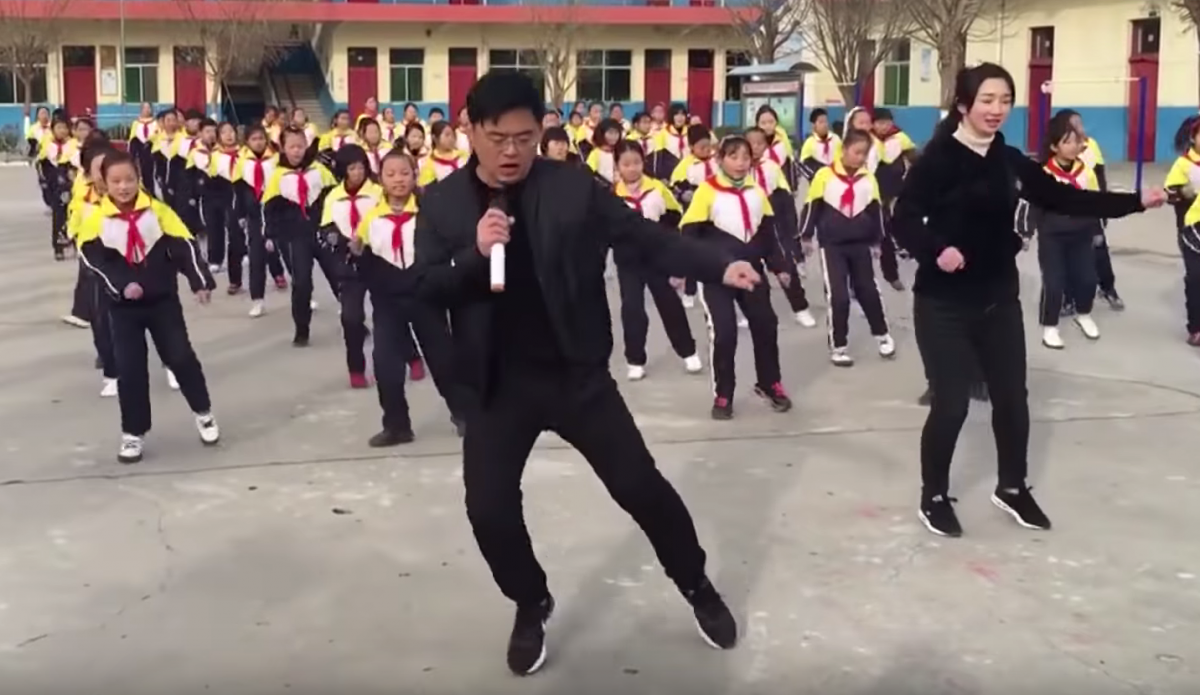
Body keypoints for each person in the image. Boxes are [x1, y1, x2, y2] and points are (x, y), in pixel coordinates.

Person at [412, 71, 746, 676]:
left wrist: (716, 266)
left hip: (576, 376)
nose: (512, 152)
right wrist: (474, 256)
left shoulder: (571, 188)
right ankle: (530, 601)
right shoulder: (441, 205)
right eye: (498, 138)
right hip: (497, 386)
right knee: (488, 510)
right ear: (470, 130)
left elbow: (640, 237)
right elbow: (428, 288)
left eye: (524, 138)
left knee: (640, 487)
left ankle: (696, 584)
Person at [892, 63, 1163, 539]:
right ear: (964, 105)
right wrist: (936, 250)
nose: (997, 109)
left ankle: (1012, 487)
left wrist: (1136, 201)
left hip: (999, 298)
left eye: (1004, 100)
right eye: (987, 100)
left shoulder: (1009, 159)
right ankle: (933, 495)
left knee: (1013, 399)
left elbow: (1064, 199)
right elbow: (904, 219)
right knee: (951, 404)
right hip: (944, 304)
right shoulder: (938, 159)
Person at [75, 150, 219, 464]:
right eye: (116, 181)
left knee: (180, 356)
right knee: (130, 370)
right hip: (122, 308)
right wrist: (122, 285)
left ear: (139, 179)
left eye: (129, 179)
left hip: (163, 301)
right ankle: (133, 433)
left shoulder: (158, 212)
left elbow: (185, 246)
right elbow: (92, 261)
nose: (123, 186)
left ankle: (203, 412)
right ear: (105, 182)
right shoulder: (97, 220)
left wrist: (199, 281)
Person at [352, 151, 470, 444]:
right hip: (388, 300)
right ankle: (397, 425)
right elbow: (361, 254)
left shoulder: (429, 214)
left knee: (443, 358)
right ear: (380, 179)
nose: (398, 180)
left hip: (424, 295)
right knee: (385, 363)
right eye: (390, 174)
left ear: (415, 175)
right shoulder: (372, 218)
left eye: (405, 173)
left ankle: (464, 414)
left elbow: (446, 251)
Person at [680, 135, 794, 420]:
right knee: (725, 332)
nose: (741, 163)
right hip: (717, 275)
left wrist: (779, 267)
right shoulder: (707, 191)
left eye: (745, 157)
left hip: (751, 271)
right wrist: (685, 270)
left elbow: (768, 234)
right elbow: (689, 235)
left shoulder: (757, 191)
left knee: (765, 324)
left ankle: (769, 383)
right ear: (720, 159)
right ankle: (723, 394)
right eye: (733, 157)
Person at [799, 129, 896, 366]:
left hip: (860, 244)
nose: (860, 158)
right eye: (856, 152)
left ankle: (882, 334)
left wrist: (877, 241)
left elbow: (876, 211)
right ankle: (839, 346)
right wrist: (806, 236)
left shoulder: (868, 178)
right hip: (832, 245)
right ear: (844, 150)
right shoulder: (825, 176)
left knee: (868, 290)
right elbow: (812, 206)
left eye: (864, 153)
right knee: (838, 295)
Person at [611, 140, 702, 380]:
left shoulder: (658, 189)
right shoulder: (611, 195)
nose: (632, 168)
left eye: (636, 162)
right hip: (628, 261)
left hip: (657, 258)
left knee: (669, 305)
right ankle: (635, 359)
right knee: (632, 309)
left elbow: (674, 218)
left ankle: (688, 351)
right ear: (617, 166)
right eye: (626, 164)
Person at [1020, 112, 1107, 349]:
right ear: (1053, 146)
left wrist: (1098, 229)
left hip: (1082, 235)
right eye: (1067, 142)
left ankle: (1084, 314)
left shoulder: (1086, 172)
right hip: (1053, 238)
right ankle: (1050, 327)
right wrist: (1025, 233)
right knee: (1054, 283)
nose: (1073, 146)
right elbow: (1030, 205)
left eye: (1076, 142)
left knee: (1088, 279)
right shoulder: (1043, 174)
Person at [262, 126, 339, 346]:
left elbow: (335, 198)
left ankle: (354, 321)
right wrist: (270, 235)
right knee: (302, 283)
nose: (297, 151)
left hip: (322, 233)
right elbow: (270, 209)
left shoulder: (319, 170)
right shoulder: (278, 176)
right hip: (295, 237)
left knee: (339, 277)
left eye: (300, 146)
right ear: (283, 149)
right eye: (292, 147)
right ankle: (302, 329)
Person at [746, 126, 814, 328]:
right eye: (751, 143)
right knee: (749, 270)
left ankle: (800, 308)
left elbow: (785, 197)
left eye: (760, 143)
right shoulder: (738, 168)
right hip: (747, 225)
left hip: (772, 224)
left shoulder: (772, 167)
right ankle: (750, 312)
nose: (755, 147)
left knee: (785, 265)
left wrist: (791, 228)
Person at [233, 124, 289, 318]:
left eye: (261, 138)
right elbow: (239, 190)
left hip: (277, 214)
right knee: (256, 258)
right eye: (254, 139)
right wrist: (240, 215)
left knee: (290, 255)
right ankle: (258, 300)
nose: (258, 142)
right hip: (255, 216)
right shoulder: (242, 163)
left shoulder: (276, 160)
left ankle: (306, 294)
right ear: (247, 142)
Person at [1163, 116, 1200, 346]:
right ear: (1193, 138)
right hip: (1191, 231)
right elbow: (1170, 194)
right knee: (1196, 278)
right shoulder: (1184, 164)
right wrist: (1185, 192)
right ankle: (1196, 327)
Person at [418, 121, 469, 186]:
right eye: (447, 135)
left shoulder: (463, 155)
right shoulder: (429, 162)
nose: (451, 138)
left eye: (453, 135)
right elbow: (426, 188)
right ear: (434, 138)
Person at [798, 108, 841, 182]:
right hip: (818, 180)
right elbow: (804, 166)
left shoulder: (836, 139)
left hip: (836, 178)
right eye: (821, 122)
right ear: (813, 125)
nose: (825, 125)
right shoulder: (809, 143)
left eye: (826, 121)